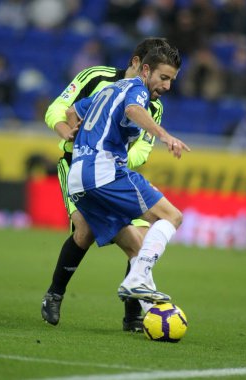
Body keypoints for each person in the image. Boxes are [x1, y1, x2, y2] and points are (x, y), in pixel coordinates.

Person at [42, 38, 171, 331]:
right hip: (76, 163)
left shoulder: (153, 105)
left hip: (114, 172)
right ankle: (54, 293)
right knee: (84, 232)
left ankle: (132, 316)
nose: (160, 85)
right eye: (160, 76)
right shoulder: (97, 77)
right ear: (137, 63)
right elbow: (58, 109)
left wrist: (107, 150)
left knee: (142, 237)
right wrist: (70, 134)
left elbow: (142, 151)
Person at [67, 45, 190, 304]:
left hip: (78, 179)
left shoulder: (111, 89)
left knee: (136, 246)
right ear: (146, 70)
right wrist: (165, 136)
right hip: (104, 172)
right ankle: (137, 279)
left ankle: (151, 310)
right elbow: (133, 111)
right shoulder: (137, 89)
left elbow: (73, 111)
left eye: (171, 80)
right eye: (163, 78)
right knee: (172, 216)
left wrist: (74, 131)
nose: (167, 86)